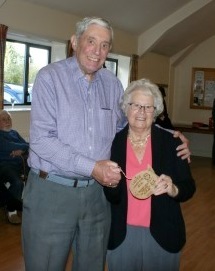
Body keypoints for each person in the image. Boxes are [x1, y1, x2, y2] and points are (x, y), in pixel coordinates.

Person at [22, 17, 191, 271]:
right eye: (91, 41)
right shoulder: (50, 79)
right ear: (75, 42)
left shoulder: (112, 85)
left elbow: (130, 122)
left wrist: (170, 134)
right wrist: (92, 167)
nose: (97, 51)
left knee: (92, 265)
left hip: (97, 195)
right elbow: (41, 141)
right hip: (52, 191)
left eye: (104, 45)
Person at [104, 78, 196, 271]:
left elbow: (188, 186)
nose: (142, 112)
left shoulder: (172, 143)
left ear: (156, 112)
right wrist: (111, 184)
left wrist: (173, 188)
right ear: (126, 108)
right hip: (123, 233)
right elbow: (111, 196)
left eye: (148, 107)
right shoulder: (112, 143)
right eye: (136, 105)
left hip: (163, 233)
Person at [0, 110, 29, 224]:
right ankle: (11, 211)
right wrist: (23, 148)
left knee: (38, 176)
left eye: (9, 119)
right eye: (4, 119)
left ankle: (30, 205)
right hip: (4, 165)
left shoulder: (14, 133)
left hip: (21, 164)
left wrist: (21, 150)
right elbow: (8, 146)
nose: (7, 121)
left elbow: (28, 145)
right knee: (17, 183)